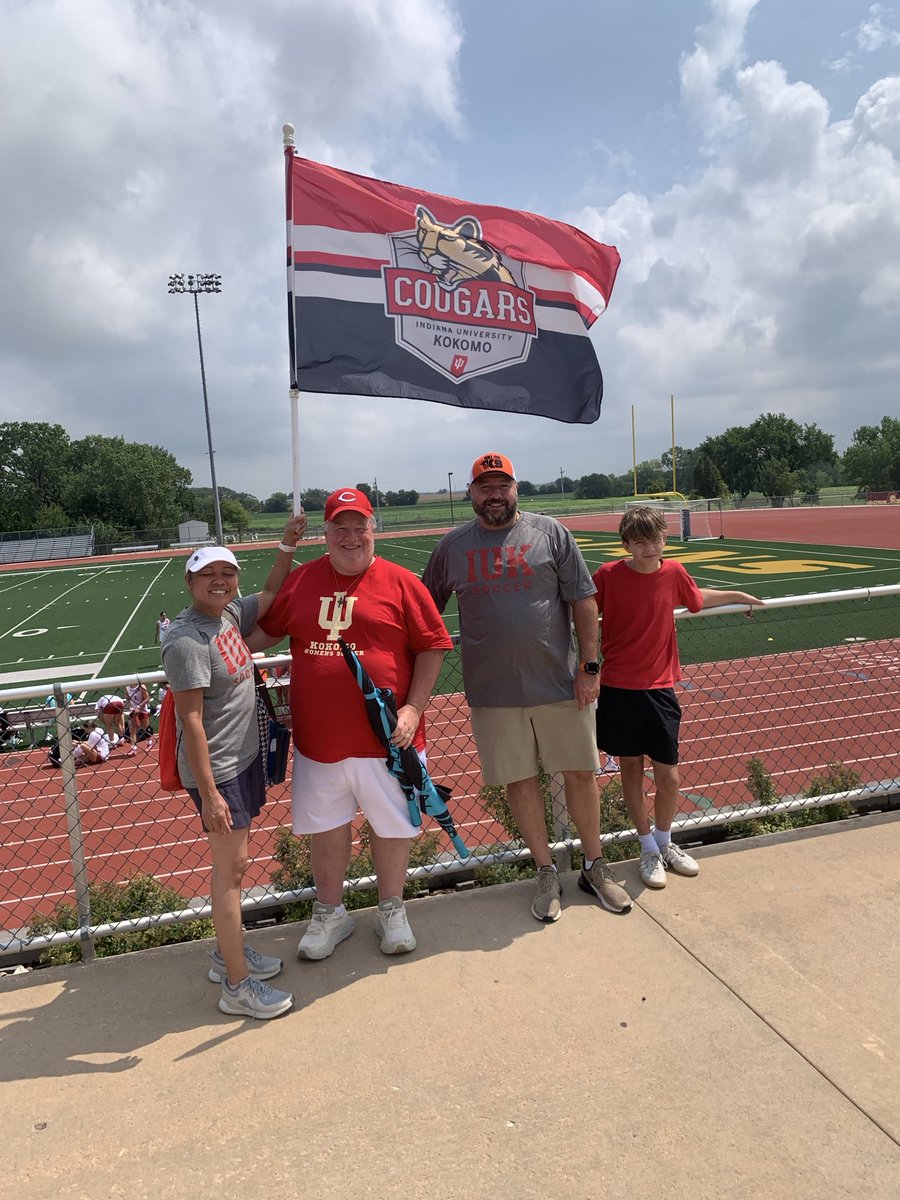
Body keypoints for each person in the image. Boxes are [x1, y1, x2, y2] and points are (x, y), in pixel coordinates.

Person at [422, 452, 631, 924]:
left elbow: (583, 600)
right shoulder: (452, 547)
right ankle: (544, 872)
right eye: (485, 486)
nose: (494, 494)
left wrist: (590, 666)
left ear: (516, 488)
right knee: (520, 781)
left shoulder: (551, 533)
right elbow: (423, 608)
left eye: (502, 485)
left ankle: (595, 866)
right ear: (471, 493)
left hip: (561, 683)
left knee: (580, 772)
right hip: (493, 692)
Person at [252, 487, 452, 961]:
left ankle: (391, 908)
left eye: (359, 525)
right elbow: (257, 631)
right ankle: (330, 912)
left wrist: (413, 708)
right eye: (340, 527)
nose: (350, 536)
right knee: (328, 827)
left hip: (389, 740)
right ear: (326, 534)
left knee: (391, 828)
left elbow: (432, 646)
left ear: (372, 528)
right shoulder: (302, 581)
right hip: (319, 742)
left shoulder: (402, 582)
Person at [161, 516, 305, 1020]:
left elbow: (270, 591)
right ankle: (237, 986)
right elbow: (191, 721)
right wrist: (212, 793)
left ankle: (228, 956)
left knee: (235, 867)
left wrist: (286, 544)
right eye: (209, 574)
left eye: (228, 573)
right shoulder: (186, 640)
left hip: (239, 758)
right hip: (218, 768)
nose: (220, 581)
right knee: (232, 871)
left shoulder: (225, 617)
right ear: (190, 581)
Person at [593, 506, 765, 888]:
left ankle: (666, 841)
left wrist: (739, 595)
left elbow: (698, 597)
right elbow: (584, 609)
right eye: (639, 542)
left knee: (668, 775)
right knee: (631, 771)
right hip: (619, 687)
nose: (649, 548)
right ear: (626, 544)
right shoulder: (608, 575)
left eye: (655, 540)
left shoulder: (674, 572)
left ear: (665, 540)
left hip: (660, 688)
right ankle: (647, 848)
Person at [125, 679, 153, 757]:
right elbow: (127, 698)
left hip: (143, 709)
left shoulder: (141, 686)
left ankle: (149, 742)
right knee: (132, 730)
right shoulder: (127, 687)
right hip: (133, 710)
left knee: (145, 727)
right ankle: (133, 748)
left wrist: (139, 707)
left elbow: (147, 698)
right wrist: (131, 707)